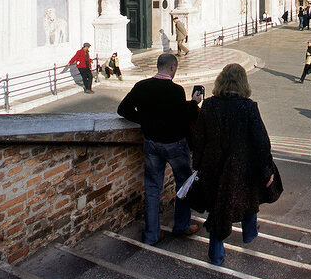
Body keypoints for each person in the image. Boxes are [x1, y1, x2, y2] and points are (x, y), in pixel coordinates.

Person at [193, 63, 275, 266]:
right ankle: (249, 233)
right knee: (249, 196)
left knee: (218, 206)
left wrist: (198, 166)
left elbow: (199, 139)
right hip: (241, 165)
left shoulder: (209, 105)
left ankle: (217, 253)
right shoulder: (248, 107)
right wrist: (267, 170)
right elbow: (261, 142)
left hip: (213, 165)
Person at [117, 52, 200, 244]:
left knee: (153, 188)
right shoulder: (176, 90)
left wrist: (145, 121)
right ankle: (181, 226)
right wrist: (194, 103)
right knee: (183, 185)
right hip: (175, 144)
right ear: (172, 68)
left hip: (152, 143)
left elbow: (123, 109)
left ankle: (152, 234)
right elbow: (182, 118)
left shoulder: (141, 86)